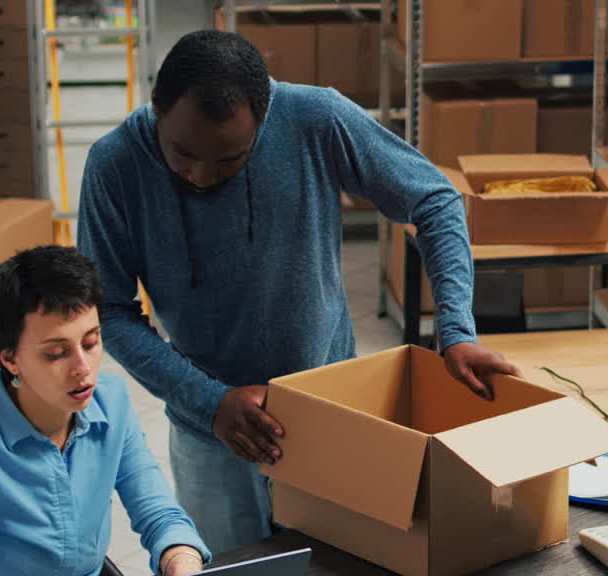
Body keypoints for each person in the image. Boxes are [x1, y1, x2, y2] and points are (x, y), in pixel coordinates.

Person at [77, 30, 520, 554]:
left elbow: (435, 200)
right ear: (157, 106)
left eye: (229, 160)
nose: (201, 176)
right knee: (231, 568)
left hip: (329, 413)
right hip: (211, 435)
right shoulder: (114, 164)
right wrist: (211, 403)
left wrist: (456, 330)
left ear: (264, 120)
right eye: (183, 154)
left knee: (339, 566)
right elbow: (109, 308)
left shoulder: (315, 118)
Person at [0, 245, 210, 576]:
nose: (82, 368)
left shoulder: (111, 403)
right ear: (10, 359)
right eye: (57, 354)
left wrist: (181, 558)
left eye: (91, 343)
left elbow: (159, 513)